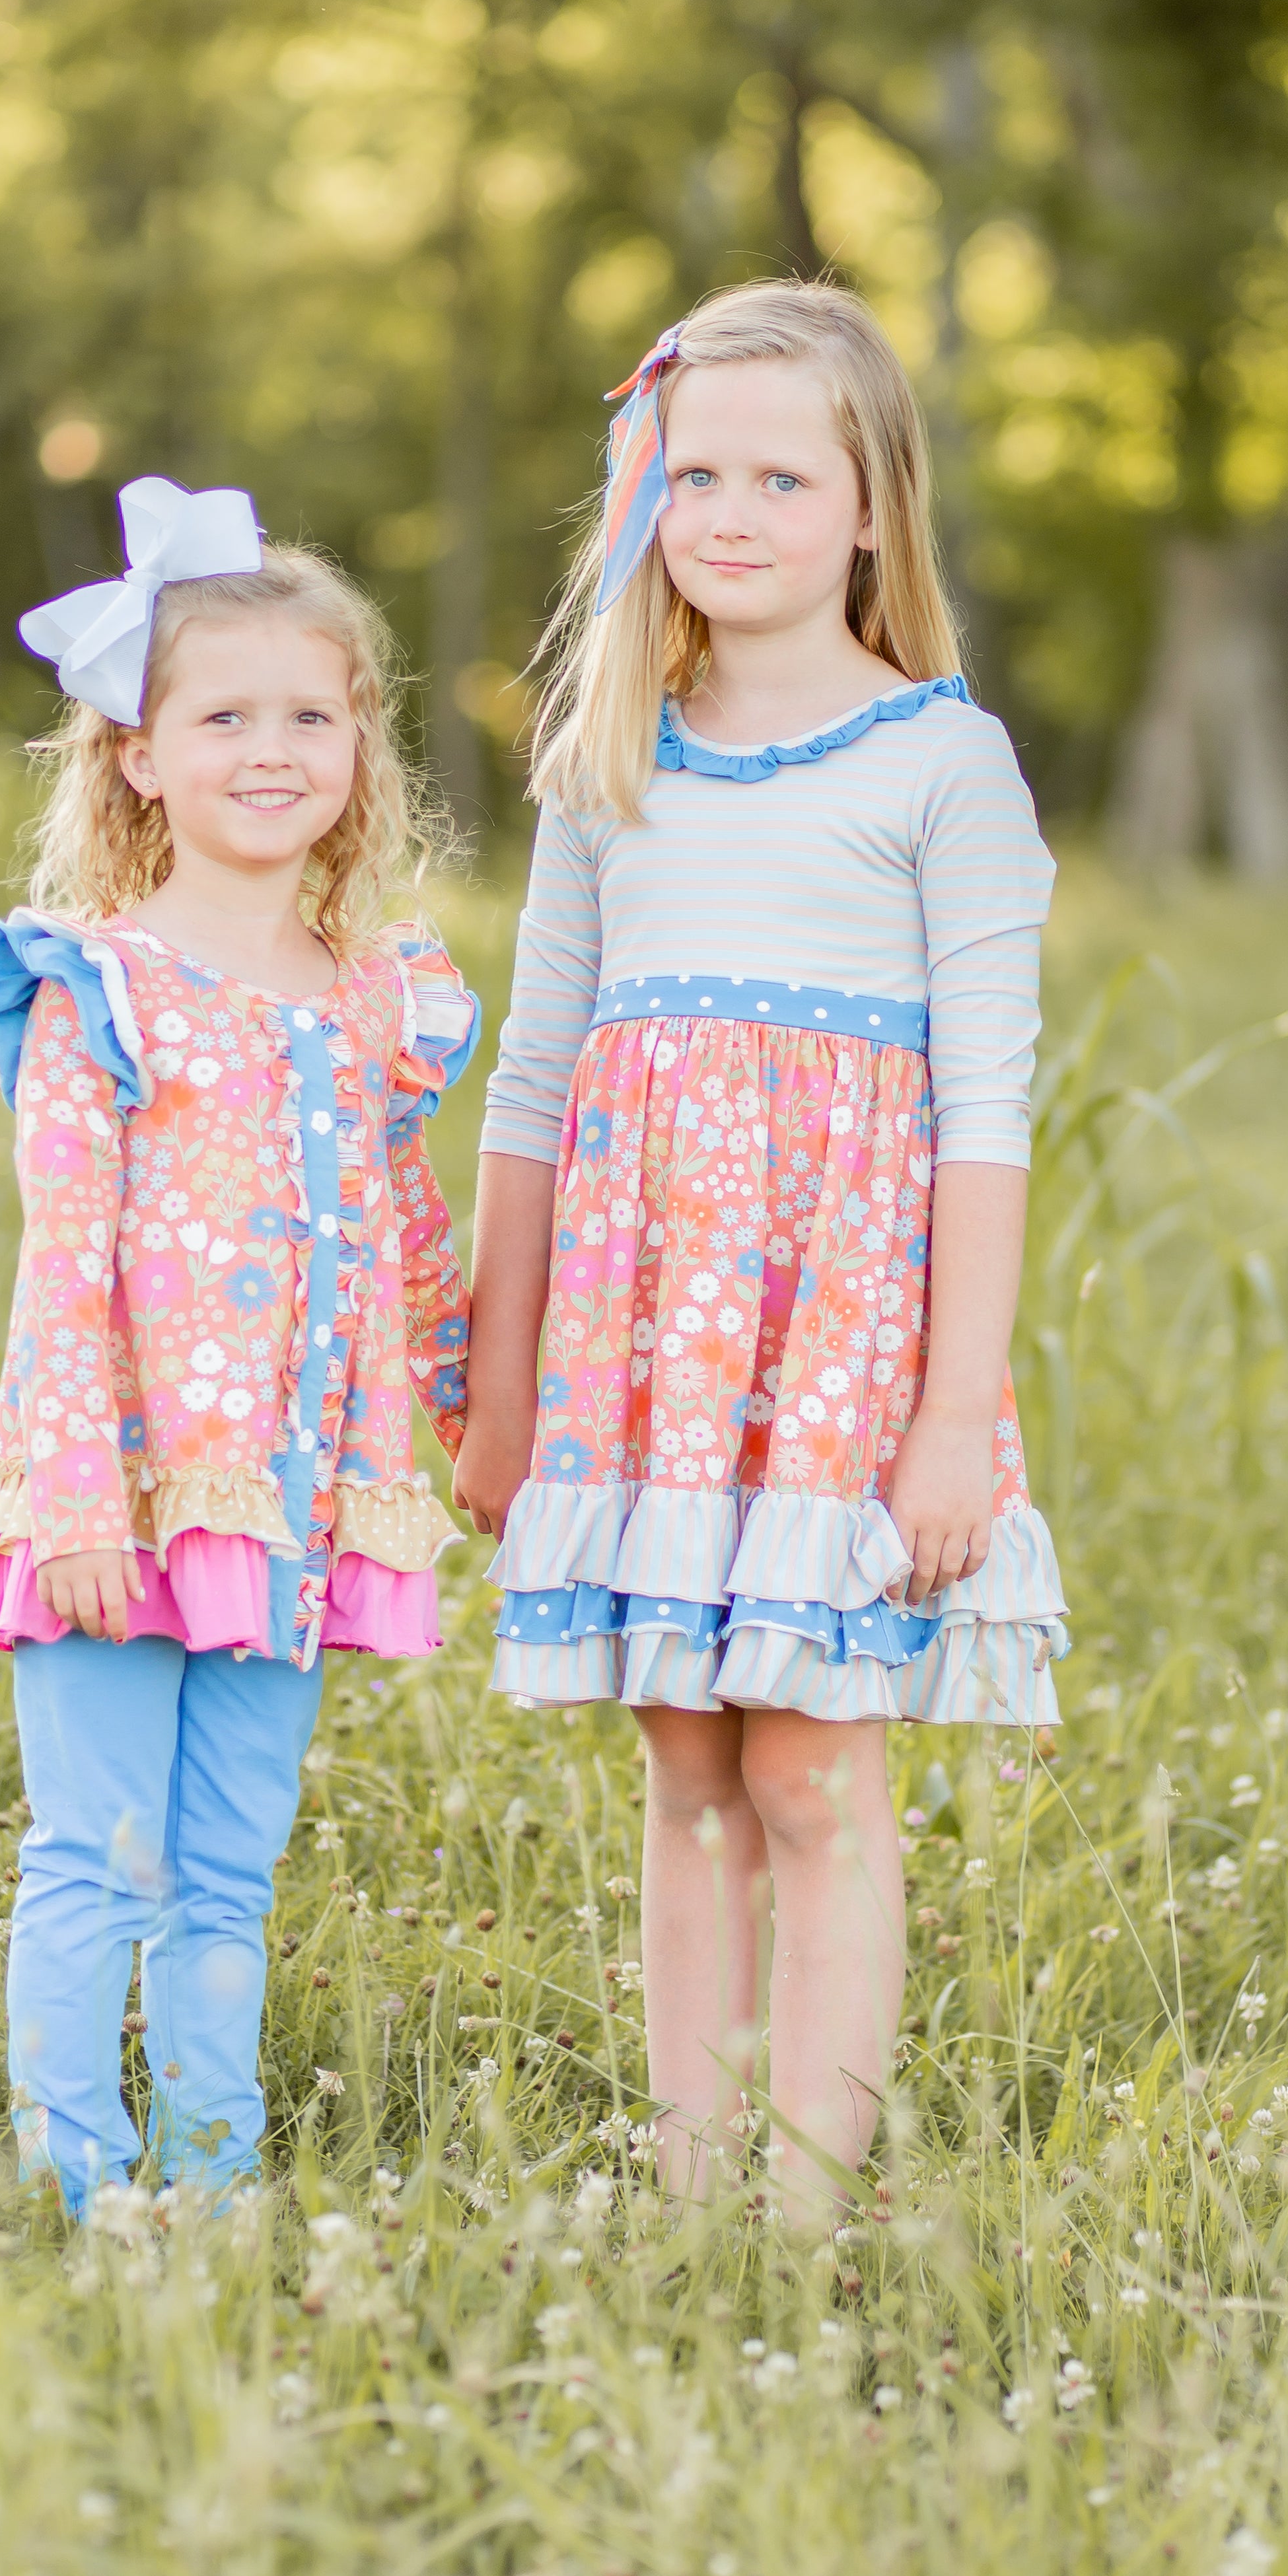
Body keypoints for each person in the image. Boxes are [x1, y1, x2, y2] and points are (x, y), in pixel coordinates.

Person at [453, 283, 1065, 2217]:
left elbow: (985, 1114)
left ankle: (806, 2206)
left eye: (781, 476)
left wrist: (955, 1415)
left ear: (871, 504)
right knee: (690, 1781)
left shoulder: (939, 767)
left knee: (811, 1771)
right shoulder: (607, 760)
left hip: (841, 1366)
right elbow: (534, 1086)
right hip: (643, 1366)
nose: (730, 512)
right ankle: (690, 2181)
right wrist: (495, 1384)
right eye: (694, 470)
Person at [0, 478, 476, 2211]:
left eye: (310, 713)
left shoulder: (381, 996)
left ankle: (218, 2187)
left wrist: (481, 1436)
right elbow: (61, 1263)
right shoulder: (95, 985)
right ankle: (87, 2194)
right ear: (138, 754)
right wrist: (81, 1500)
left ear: (361, 748)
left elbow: (411, 1239)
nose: (271, 747)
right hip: (119, 1493)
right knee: (94, 1855)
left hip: (299, 1500)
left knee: (227, 1869)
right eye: (222, 714)